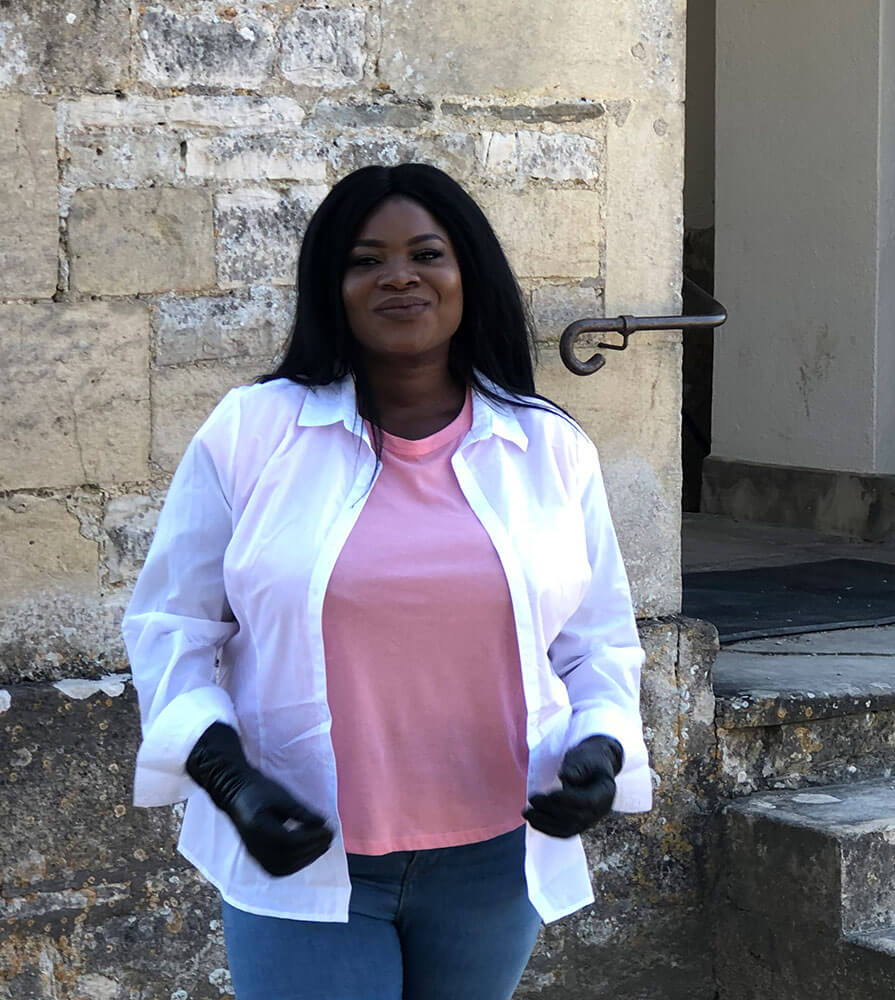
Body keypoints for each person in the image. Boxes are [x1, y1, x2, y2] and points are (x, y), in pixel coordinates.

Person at [123, 162, 651, 1000]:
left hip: (493, 859)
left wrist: (601, 746)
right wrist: (229, 779)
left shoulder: (549, 449)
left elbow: (598, 645)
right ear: (331, 287)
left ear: (466, 274)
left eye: (427, 254)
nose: (399, 275)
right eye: (365, 260)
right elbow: (171, 631)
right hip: (304, 851)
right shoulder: (252, 434)